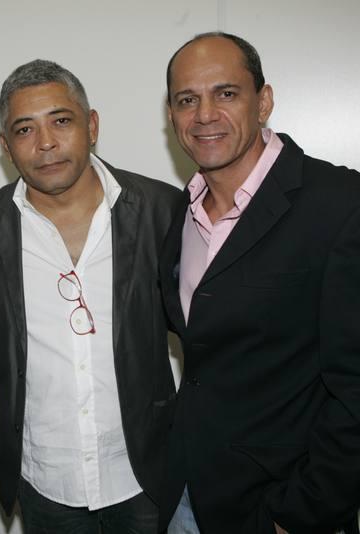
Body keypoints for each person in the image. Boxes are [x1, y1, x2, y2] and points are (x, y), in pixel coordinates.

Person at [0, 59, 178, 533]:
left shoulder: (162, 210)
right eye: (24, 129)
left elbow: (210, 338)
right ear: (6, 146)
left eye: (61, 121)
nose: (45, 143)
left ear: (92, 125)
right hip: (45, 483)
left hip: (145, 475)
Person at [160, 32, 360, 534]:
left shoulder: (341, 204)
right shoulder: (181, 212)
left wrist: (297, 514)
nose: (205, 114)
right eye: (187, 100)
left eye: (225, 93)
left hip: (284, 506)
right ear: (172, 115)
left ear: (264, 101)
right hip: (187, 496)